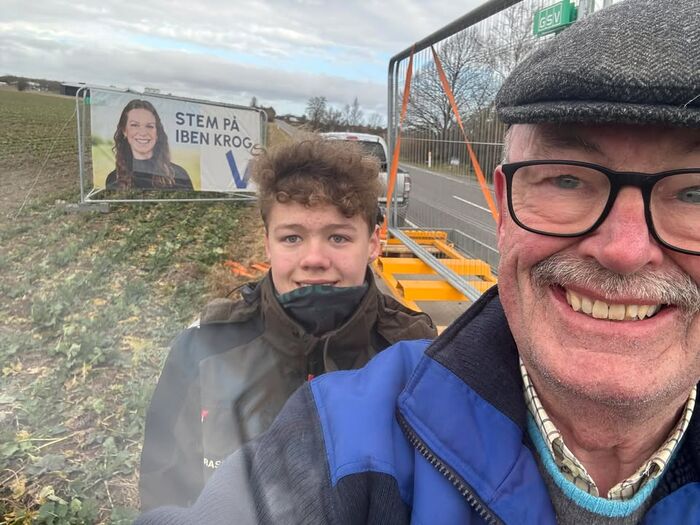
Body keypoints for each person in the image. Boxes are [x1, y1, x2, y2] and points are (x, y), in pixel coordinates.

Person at [137, 0, 700, 523]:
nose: (625, 249)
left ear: (374, 241)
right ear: (502, 209)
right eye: (568, 181)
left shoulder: (406, 338)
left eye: (694, 193)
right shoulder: (343, 427)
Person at [138, 138, 437, 510]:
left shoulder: (415, 355)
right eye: (292, 237)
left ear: (374, 242)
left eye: (338, 237)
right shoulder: (204, 350)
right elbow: (162, 489)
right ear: (267, 244)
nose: (314, 258)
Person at [106, 99, 193, 190]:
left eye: (149, 126)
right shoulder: (114, 179)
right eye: (135, 125)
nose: (143, 133)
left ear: (157, 132)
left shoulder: (179, 175)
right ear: (124, 131)